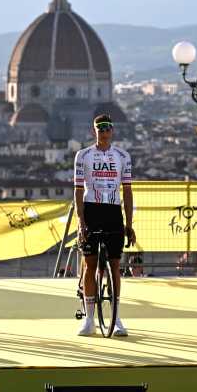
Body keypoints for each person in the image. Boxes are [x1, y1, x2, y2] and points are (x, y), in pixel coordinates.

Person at [74, 114, 136, 336]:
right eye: (100, 128)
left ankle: (116, 317)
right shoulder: (83, 155)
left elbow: (127, 191)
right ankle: (89, 319)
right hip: (91, 210)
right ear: (94, 131)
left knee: (115, 265)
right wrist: (81, 222)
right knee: (90, 265)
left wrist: (129, 224)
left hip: (113, 212)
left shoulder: (123, 156)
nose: (104, 131)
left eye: (108, 127)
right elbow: (78, 190)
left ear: (113, 131)